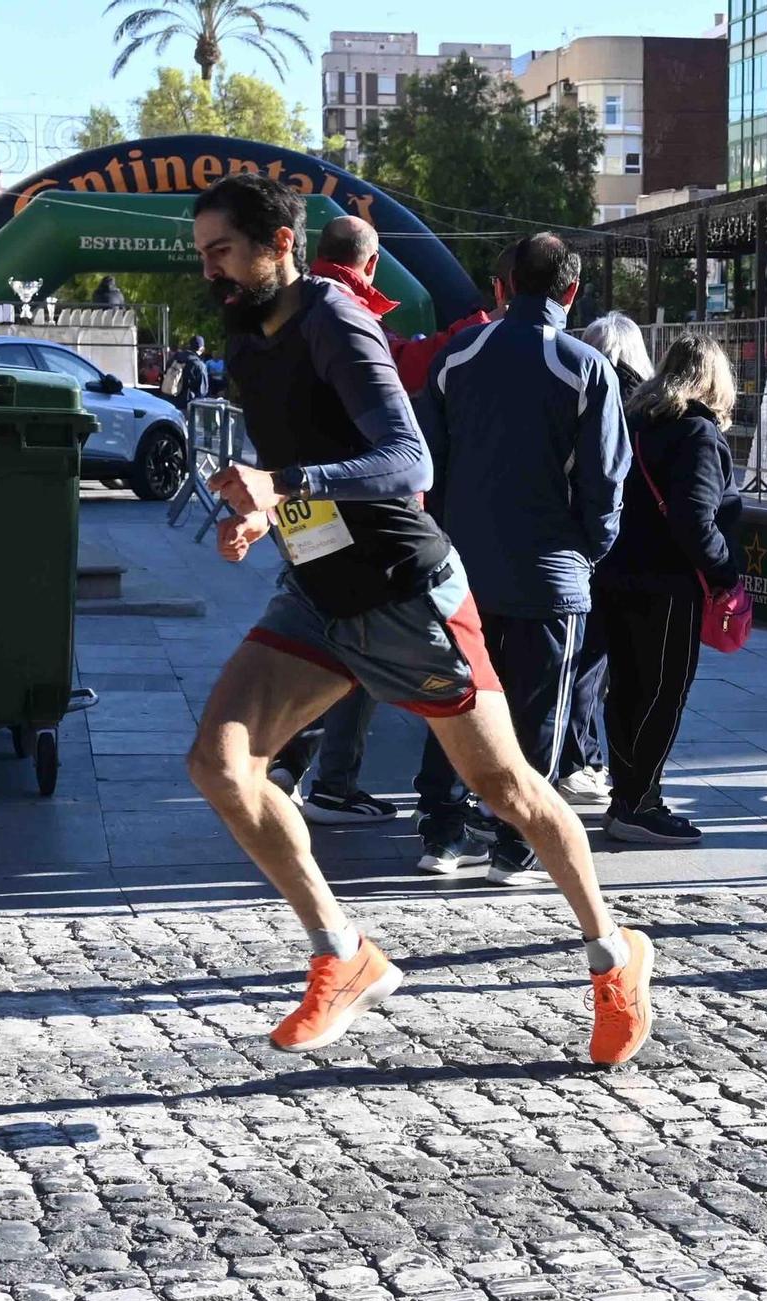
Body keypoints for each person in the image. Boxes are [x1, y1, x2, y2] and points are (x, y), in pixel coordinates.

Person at [186, 174, 653, 1064]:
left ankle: (612, 952)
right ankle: (343, 953)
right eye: (203, 253)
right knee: (220, 763)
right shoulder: (249, 336)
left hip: (406, 590)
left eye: (223, 252)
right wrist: (262, 506)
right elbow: (300, 457)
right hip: (321, 590)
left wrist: (286, 486)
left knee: (506, 789)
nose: (211, 271)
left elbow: (408, 458)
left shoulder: (333, 317)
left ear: (278, 246)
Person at [410, 233, 631, 884]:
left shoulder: (456, 357)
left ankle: (442, 832)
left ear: (502, 289)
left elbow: (427, 465)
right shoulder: (586, 368)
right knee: (540, 718)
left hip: (462, 571)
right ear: (571, 292)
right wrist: (586, 553)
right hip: (549, 575)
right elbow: (606, 484)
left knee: (453, 699)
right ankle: (515, 844)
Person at [273, 214, 497, 825]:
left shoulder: (288, 310)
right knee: (356, 638)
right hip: (357, 512)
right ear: (370, 265)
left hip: (298, 507)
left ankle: (292, 762)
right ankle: (331, 782)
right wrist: (474, 331)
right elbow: (401, 376)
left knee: (324, 619)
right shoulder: (347, 312)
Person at [596, 333, 743, 845]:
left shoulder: (636, 422)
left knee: (626, 689)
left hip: (616, 573)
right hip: (668, 582)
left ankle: (626, 794)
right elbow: (695, 519)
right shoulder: (697, 432)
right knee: (662, 692)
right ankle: (640, 800)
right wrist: (725, 573)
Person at [555, 312, 657, 811]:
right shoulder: (652, 404)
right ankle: (592, 762)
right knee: (611, 666)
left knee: (582, 661)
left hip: (584, 545)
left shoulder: (577, 389)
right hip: (635, 552)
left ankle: (576, 758)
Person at [163, 334, 210, 410]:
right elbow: (202, 391)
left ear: (189, 346)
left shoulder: (175, 358)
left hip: (168, 401)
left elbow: (165, 374)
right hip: (187, 405)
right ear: (202, 349)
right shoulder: (199, 365)